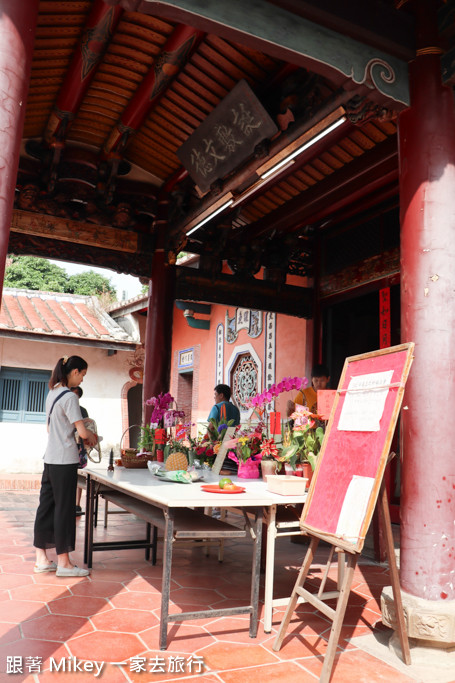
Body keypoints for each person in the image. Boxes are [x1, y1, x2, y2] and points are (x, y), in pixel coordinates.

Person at [33, 355, 97, 577]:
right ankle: (64, 563)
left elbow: (51, 429)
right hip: (65, 460)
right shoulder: (70, 397)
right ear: (76, 371)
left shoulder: (52, 393)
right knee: (64, 510)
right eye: (83, 375)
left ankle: (41, 559)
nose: (82, 380)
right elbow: (81, 432)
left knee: (46, 507)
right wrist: (93, 436)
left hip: (50, 458)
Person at [70, 386, 88, 517]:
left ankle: (76, 504)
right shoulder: (65, 407)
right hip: (68, 446)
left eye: (76, 395)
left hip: (79, 447)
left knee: (78, 477)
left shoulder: (82, 411)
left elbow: (86, 428)